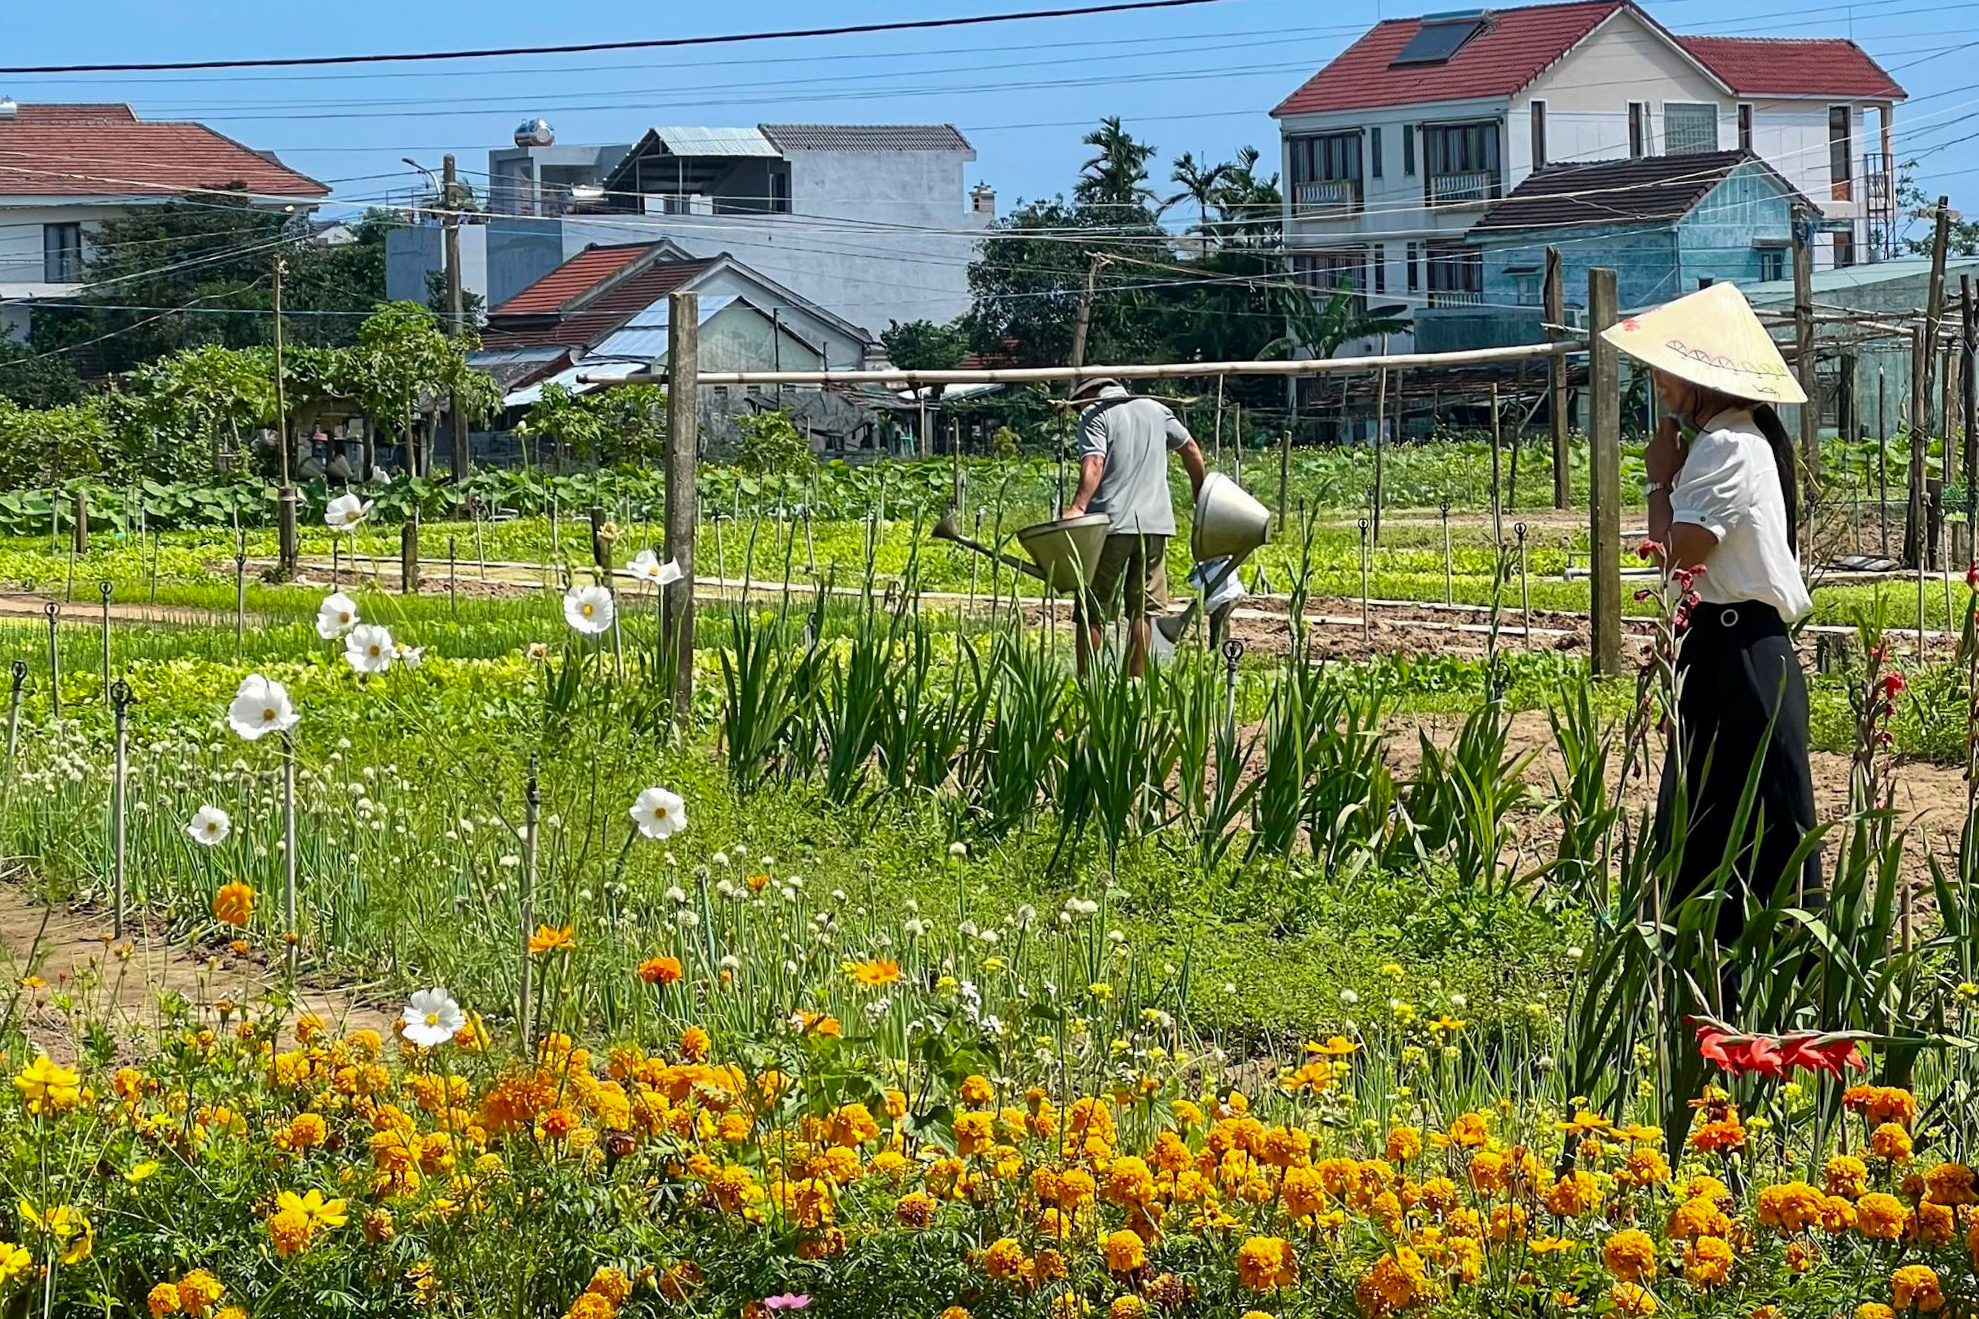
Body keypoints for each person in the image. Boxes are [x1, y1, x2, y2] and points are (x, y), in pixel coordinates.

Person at [1602, 282, 1819, 964]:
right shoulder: (1731, 440)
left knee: (1738, 824)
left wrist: (1657, 481)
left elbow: (1678, 556)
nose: (1658, 381)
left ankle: (1747, 987)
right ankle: (1722, 989)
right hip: (1726, 647)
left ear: (1702, 375)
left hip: (1735, 653)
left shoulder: (1728, 444)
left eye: (1667, 367)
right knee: (1718, 822)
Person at [1065, 376, 1206, 676]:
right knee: (1144, 609)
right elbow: (1191, 449)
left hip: (1110, 525)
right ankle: (1135, 686)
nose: (1080, 412)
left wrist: (1078, 507)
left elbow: (1093, 462)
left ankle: (1087, 685)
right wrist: (1200, 495)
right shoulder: (1156, 410)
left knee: (1093, 608)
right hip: (1154, 525)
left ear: (1090, 393)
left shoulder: (1097, 413)